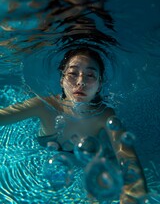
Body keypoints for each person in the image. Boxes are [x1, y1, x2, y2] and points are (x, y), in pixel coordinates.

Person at [0, 47, 147, 203]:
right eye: (72, 73)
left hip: (84, 169)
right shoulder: (44, 106)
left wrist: (131, 196)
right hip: (39, 171)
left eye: (90, 75)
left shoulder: (105, 115)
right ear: (61, 80)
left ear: (99, 84)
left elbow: (129, 161)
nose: (80, 82)